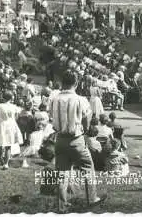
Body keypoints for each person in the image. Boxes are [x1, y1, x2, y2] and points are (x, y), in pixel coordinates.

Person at [49, 71, 106, 212]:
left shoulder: (54, 99)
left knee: (62, 172)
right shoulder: (81, 99)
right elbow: (87, 119)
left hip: (60, 139)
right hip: (76, 138)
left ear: (62, 82)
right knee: (88, 167)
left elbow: (52, 117)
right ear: (76, 83)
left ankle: (61, 205)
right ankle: (92, 198)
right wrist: (85, 130)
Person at [0, 90, 23, 170]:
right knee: (8, 145)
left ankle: (1, 162)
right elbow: (16, 117)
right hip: (11, 125)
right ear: (11, 98)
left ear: (3, 97)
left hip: (2, 124)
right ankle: (5, 163)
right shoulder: (14, 107)